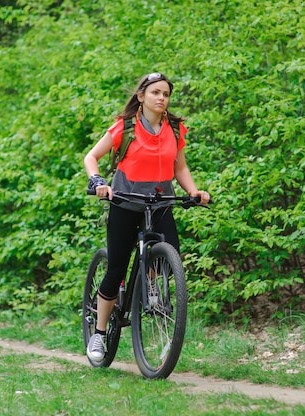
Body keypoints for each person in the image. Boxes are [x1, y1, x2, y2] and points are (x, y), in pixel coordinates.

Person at [83, 72, 210, 362]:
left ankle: (152, 284)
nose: (161, 98)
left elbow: (180, 168)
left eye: (165, 93)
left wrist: (194, 191)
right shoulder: (125, 127)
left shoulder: (175, 129)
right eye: (155, 93)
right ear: (142, 96)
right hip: (126, 202)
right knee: (116, 270)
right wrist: (98, 183)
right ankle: (99, 334)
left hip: (161, 201)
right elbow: (91, 157)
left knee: (170, 255)